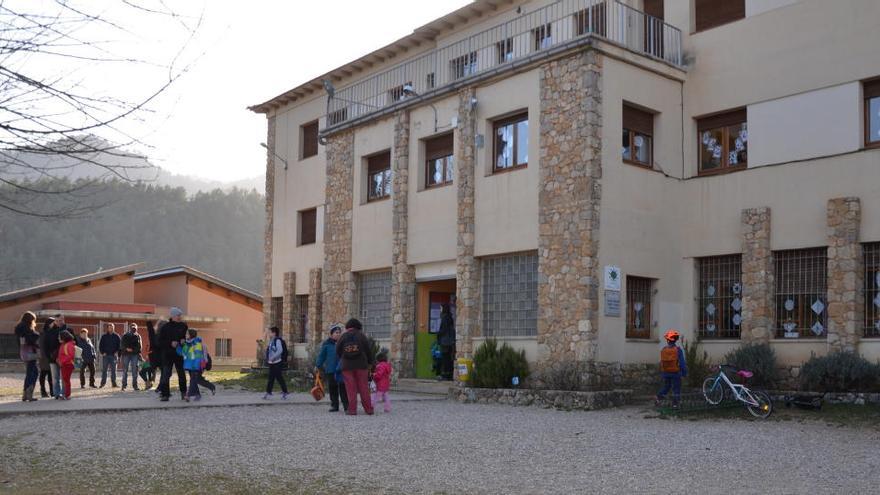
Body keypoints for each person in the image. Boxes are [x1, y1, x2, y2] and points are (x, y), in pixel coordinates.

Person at [335, 318, 375, 416]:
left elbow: (338, 350)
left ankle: (352, 410)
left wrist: (344, 358)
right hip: (361, 365)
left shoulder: (343, 337)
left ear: (348, 326)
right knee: (363, 388)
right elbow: (368, 350)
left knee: (350, 389)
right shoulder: (361, 336)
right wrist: (371, 363)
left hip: (347, 366)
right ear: (358, 326)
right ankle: (368, 409)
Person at [157, 307, 188, 401]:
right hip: (168, 354)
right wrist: (170, 343)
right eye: (178, 315)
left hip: (179, 354)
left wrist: (184, 340)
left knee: (181, 374)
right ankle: (165, 395)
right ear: (173, 316)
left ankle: (183, 393)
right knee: (166, 374)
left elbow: (188, 337)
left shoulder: (184, 326)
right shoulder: (165, 327)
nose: (180, 317)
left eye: (180, 315)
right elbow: (159, 341)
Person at [315, 323, 347, 412]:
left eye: (339, 332)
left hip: (341, 369)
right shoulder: (327, 344)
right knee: (333, 388)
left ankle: (346, 405)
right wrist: (318, 365)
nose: (338, 334)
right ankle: (334, 405)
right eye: (336, 332)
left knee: (343, 388)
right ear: (331, 334)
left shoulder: (343, 343)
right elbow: (322, 356)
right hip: (331, 369)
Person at [655, 330, 688, 408]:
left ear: (667, 340)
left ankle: (658, 398)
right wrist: (684, 373)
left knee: (667, 387)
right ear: (676, 339)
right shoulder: (678, 350)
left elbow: (662, 362)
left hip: (666, 372)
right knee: (676, 388)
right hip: (676, 372)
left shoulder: (664, 350)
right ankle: (675, 404)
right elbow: (682, 363)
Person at [14, 311, 40, 402]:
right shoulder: (26, 328)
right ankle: (29, 394)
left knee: (31, 372)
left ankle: (25, 394)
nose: (34, 322)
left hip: (24, 352)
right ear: (30, 320)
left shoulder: (19, 327)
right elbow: (30, 340)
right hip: (30, 353)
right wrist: (36, 335)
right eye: (33, 320)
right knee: (33, 373)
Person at [177, 329, 207, 402]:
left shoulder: (197, 343)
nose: (185, 335)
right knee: (193, 380)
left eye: (187, 334)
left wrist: (196, 365)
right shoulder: (187, 344)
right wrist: (179, 346)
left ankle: (188, 395)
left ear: (191, 335)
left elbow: (198, 356)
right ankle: (197, 395)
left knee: (192, 380)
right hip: (189, 366)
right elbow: (182, 353)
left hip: (196, 366)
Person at [263, 326, 289, 400]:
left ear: (274, 333)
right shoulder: (271, 341)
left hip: (277, 362)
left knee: (279, 377)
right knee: (271, 377)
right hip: (272, 362)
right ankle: (268, 392)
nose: (269, 334)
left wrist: (274, 357)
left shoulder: (277, 340)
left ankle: (285, 392)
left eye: (270, 332)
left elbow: (280, 350)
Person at [43, 316, 64, 398]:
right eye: (57, 321)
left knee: (63, 377)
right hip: (52, 358)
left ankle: (63, 393)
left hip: (62, 358)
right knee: (55, 377)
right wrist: (49, 356)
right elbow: (45, 346)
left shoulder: (64, 330)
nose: (59, 322)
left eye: (60, 320)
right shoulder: (48, 332)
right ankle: (57, 394)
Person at [120, 323, 143, 391]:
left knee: (135, 371)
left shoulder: (138, 336)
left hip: (135, 355)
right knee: (125, 370)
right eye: (132, 327)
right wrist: (126, 349)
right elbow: (121, 345)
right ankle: (124, 386)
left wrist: (133, 350)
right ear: (129, 328)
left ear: (136, 328)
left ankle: (135, 386)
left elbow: (140, 346)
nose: (134, 329)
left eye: (135, 328)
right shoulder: (125, 335)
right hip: (126, 354)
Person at [98, 323, 121, 388]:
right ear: (107, 328)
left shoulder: (117, 336)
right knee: (104, 370)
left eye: (112, 327)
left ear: (113, 328)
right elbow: (100, 346)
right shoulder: (104, 336)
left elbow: (119, 346)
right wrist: (102, 352)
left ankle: (114, 384)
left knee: (114, 371)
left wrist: (117, 353)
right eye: (109, 327)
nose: (110, 328)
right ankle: (102, 383)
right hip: (106, 356)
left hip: (114, 356)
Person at [437, 304, 456, 381]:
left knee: (445, 359)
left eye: (441, 308)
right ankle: (449, 375)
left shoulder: (444, 318)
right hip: (450, 341)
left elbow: (443, 330)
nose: (440, 310)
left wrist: (438, 335)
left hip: (445, 342)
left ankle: (445, 375)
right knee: (449, 359)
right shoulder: (450, 317)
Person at [56, 330, 76, 400]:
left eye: (59, 337)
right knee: (65, 380)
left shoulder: (69, 344)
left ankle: (67, 395)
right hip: (64, 364)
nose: (58, 338)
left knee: (66, 380)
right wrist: (59, 360)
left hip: (67, 365)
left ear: (63, 337)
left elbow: (71, 355)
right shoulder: (64, 344)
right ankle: (65, 394)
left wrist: (62, 361)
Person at [37, 324, 54, 398]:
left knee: (50, 375)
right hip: (44, 357)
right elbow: (41, 346)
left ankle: (52, 391)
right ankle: (43, 391)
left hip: (50, 357)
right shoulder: (43, 334)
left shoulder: (51, 333)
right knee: (43, 374)